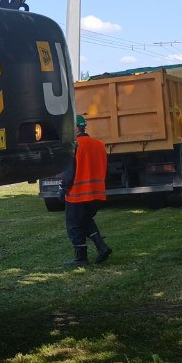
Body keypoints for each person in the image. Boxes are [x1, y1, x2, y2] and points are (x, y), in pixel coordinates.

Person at [61, 114, 112, 266]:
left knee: (74, 225)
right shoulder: (99, 144)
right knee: (86, 220)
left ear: (75, 128)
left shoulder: (74, 146)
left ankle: (80, 258)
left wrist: (62, 188)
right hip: (97, 194)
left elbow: (69, 173)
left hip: (77, 195)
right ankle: (102, 248)